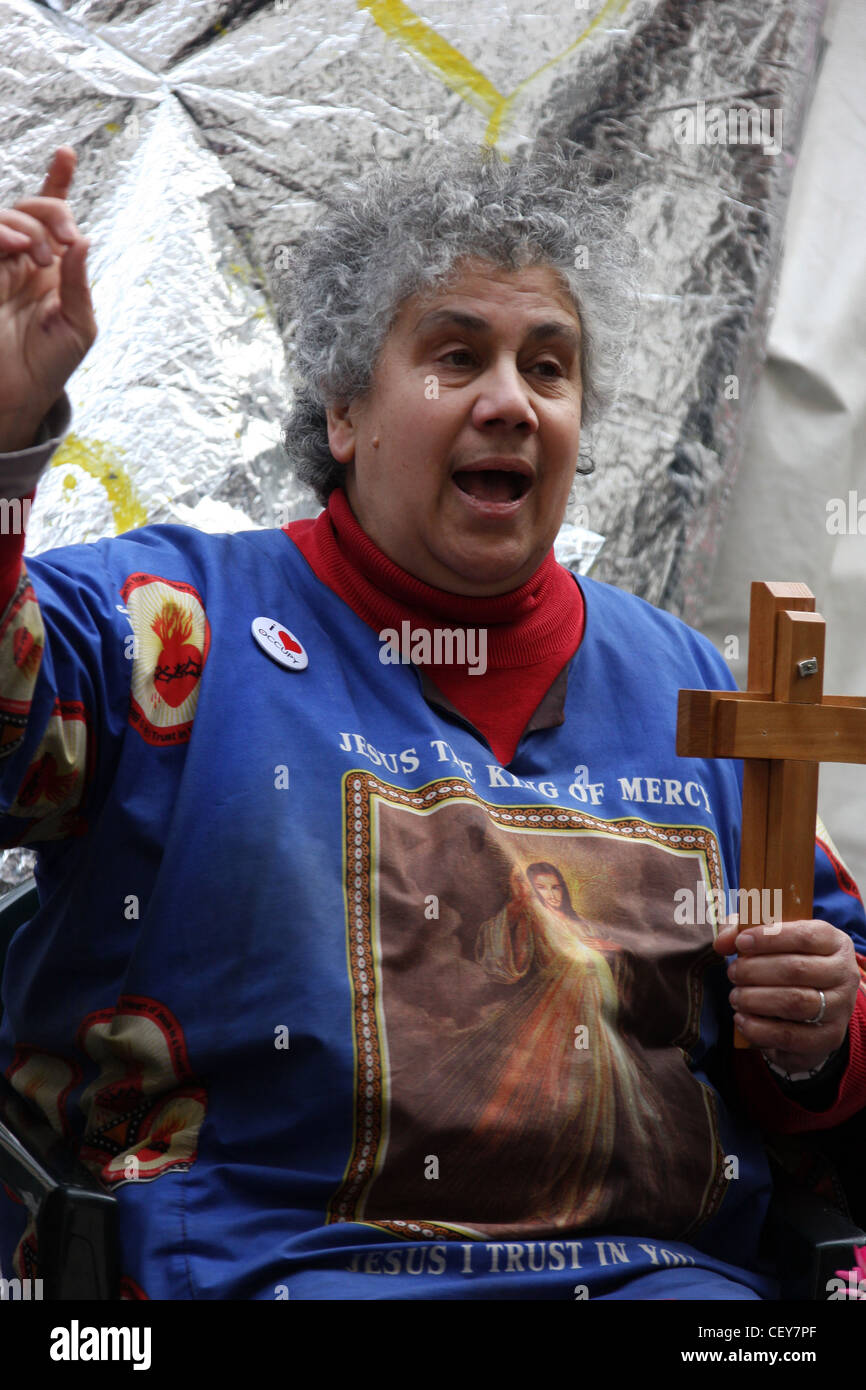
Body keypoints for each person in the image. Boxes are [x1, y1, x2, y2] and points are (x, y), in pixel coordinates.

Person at [0, 142, 864, 1301]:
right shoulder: (170, 628)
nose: (508, 401)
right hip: (270, 1272)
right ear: (344, 409)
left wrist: (818, 1035)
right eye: (456, 357)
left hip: (658, 1288)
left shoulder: (685, 690)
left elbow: (819, 1018)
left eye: (546, 368)